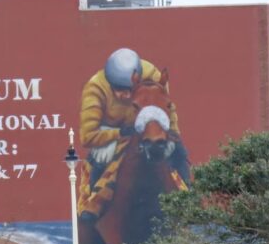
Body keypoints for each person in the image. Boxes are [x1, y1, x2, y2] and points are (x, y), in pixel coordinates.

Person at [77, 48, 190, 223]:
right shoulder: (95, 89)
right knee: (101, 157)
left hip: (148, 128)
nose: (127, 95)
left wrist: (172, 133)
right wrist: (119, 133)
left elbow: (167, 106)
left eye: (130, 89)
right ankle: (93, 205)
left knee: (178, 150)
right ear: (109, 84)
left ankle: (188, 197)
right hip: (111, 133)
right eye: (119, 90)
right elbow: (88, 135)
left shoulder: (153, 76)